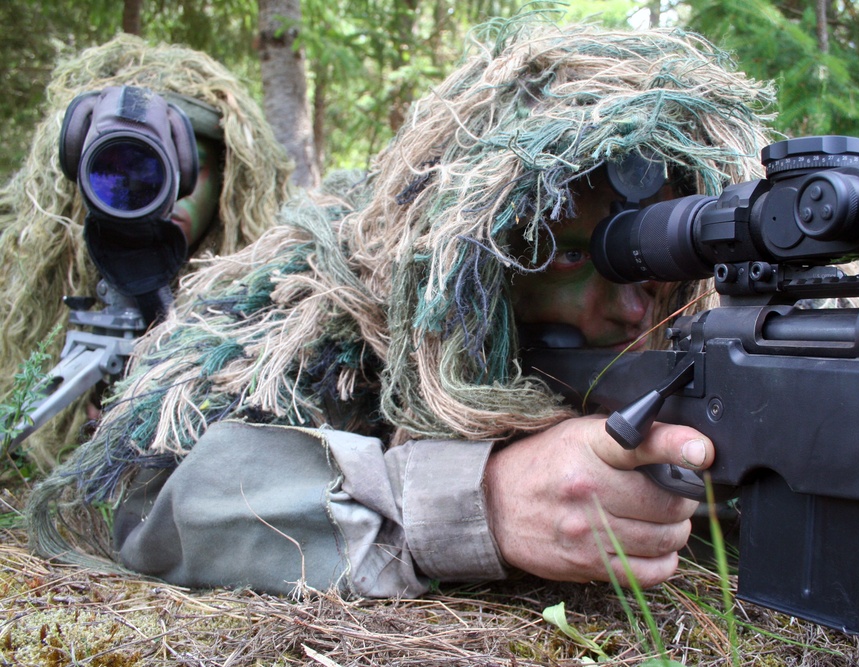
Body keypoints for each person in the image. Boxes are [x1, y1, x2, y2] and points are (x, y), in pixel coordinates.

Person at [29, 18, 773, 596]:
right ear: (471, 262)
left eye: (655, 260)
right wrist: (478, 502)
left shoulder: (699, 331)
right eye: (573, 254)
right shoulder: (323, 307)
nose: (633, 308)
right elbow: (144, 502)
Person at [0, 35, 295, 467]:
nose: (157, 192)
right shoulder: (22, 290)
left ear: (228, 186)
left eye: (180, 166)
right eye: (119, 168)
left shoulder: (273, 296)